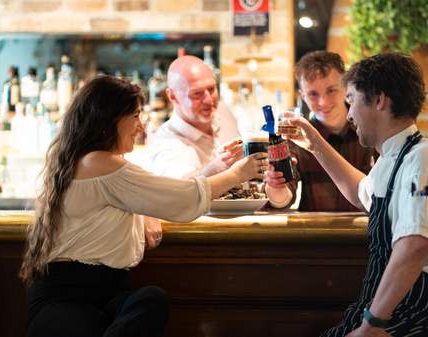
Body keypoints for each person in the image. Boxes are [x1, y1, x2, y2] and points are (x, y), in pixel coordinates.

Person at [19, 75, 267, 337]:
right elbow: (179, 197)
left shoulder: (88, 162)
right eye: (136, 116)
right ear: (111, 118)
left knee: (151, 299)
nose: (141, 126)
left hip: (105, 294)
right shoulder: (99, 163)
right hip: (67, 300)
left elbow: (150, 197)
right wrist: (239, 174)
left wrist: (145, 210)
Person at [284, 53, 428, 336]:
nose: (348, 114)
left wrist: (373, 323)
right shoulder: (392, 158)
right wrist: (314, 142)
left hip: (422, 307)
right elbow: (361, 193)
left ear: (380, 100)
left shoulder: (422, 159)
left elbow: (414, 246)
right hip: (398, 303)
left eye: (352, 100)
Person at [265, 51, 376, 211]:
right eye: (313, 94)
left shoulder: (370, 131)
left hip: (366, 233)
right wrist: (276, 186)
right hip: (315, 233)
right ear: (303, 96)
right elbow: (283, 199)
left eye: (331, 90)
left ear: (345, 87)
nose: (323, 102)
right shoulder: (297, 137)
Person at [134, 55, 244, 179]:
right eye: (197, 93)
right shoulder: (167, 143)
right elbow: (178, 190)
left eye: (212, 89)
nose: (209, 100)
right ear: (172, 96)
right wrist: (218, 167)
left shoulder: (222, 111)